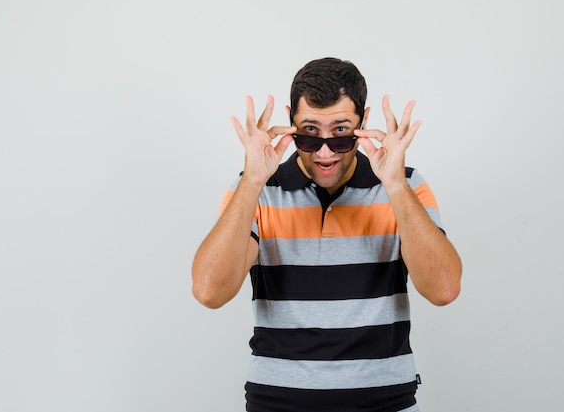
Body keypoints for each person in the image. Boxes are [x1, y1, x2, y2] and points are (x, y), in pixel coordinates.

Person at [191, 57, 462, 412]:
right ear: (290, 124)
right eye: (309, 132)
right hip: (277, 403)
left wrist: (393, 184)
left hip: (385, 403)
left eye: (340, 132)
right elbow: (209, 291)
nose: (323, 151)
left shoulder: (406, 184)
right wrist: (253, 181)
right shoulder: (255, 189)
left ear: (363, 124)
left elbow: (443, 289)